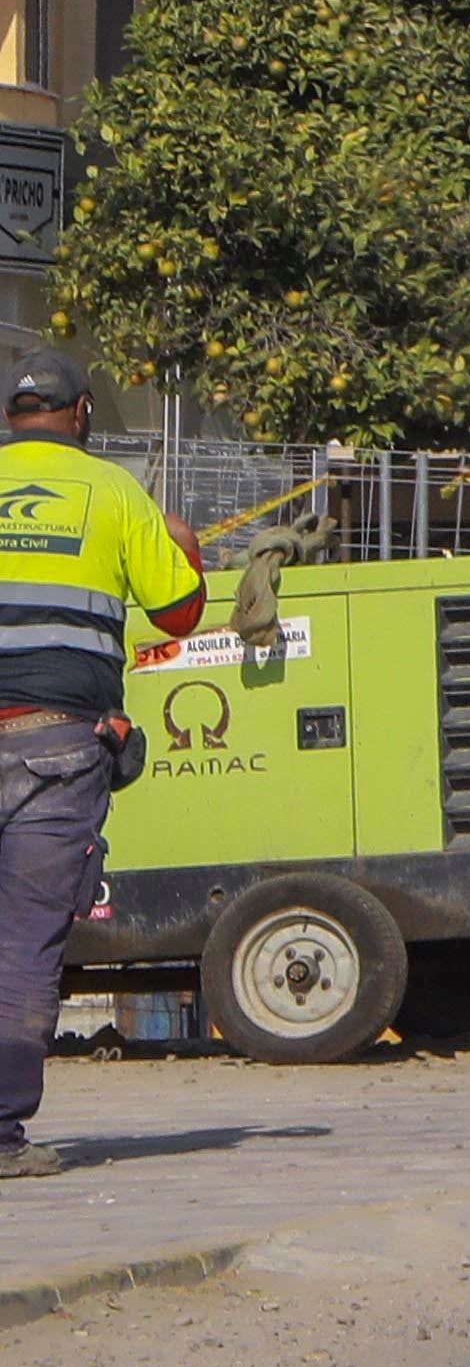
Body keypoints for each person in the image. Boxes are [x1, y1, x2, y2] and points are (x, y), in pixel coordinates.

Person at [0, 360, 200, 1184]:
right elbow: (180, 612)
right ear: (81, 414)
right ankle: (2, 1135)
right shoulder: (117, 494)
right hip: (55, 747)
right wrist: (182, 548)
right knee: (24, 942)